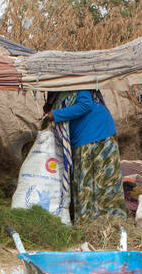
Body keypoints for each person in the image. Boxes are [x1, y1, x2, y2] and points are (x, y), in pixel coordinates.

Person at [42, 90, 122, 220]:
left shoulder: (79, 82)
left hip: (97, 134)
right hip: (85, 134)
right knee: (84, 178)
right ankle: (91, 217)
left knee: (96, 180)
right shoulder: (60, 89)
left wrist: (55, 114)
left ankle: (104, 219)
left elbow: (85, 105)